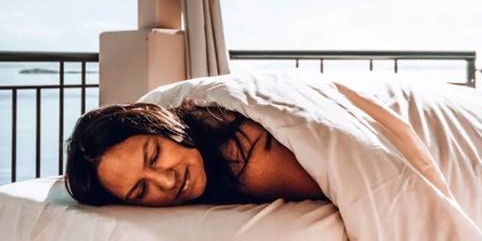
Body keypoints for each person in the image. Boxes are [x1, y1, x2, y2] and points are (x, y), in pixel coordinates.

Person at [64, 101, 325, 207]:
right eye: (141, 191)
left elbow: (344, 181)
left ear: (165, 127)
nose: (166, 182)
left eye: (155, 155)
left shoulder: (248, 160)